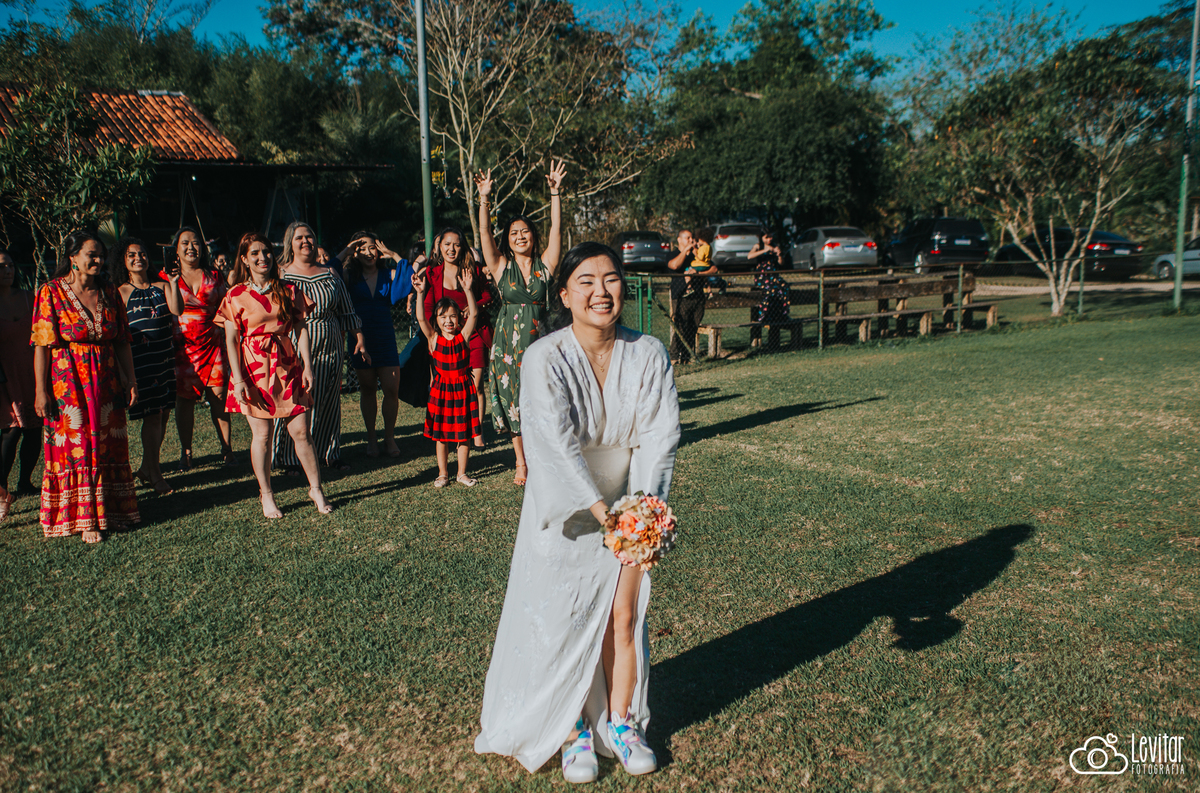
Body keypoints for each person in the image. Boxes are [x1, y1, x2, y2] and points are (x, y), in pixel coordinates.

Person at [474, 241, 681, 782]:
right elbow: (553, 443)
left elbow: (660, 436)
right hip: (563, 508)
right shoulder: (544, 356)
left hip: (632, 503)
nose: (600, 291)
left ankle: (621, 720)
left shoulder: (650, 354)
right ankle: (569, 731)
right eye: (585, 281)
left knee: (623, 615)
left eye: (610, 279)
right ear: (564, 294)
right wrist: (598, 511)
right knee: (561, 619)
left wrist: (640, 511)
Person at [31, 230, 140, 542]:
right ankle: (84, 519)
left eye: (100, 254)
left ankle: (112, 511)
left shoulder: (109, 291)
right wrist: (41, 390)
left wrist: (130, 379)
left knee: (108, 445)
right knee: (77, 450)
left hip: (105, 383)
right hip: (68, 385)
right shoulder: (50, 292)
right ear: (73, 258)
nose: (98, 259)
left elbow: (122, 341)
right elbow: (41, 345)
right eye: (91, 254)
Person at [218, 232, 333, 518]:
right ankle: (266, 494)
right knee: (263, 435)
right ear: (244, 259)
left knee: (301, 432)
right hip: (254, 370)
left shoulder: (289, 290)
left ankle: (316, 489)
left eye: (267, 252)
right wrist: (238, 379)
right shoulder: (234, 295)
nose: (262, 258)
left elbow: (301, 328)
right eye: (255, 253)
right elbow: (231, 341)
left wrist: (307, 364)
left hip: (287, 366)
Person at [474, 161, 566, 485]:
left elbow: (556, 230)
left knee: (545, 398)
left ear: (532, 236)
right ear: (508, 241)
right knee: (514, 400)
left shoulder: (546, 265)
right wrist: (484, 198)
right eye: (514, 233)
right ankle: (521, 462)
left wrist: (554, 192)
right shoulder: (499, 266)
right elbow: (485, 232)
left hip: (541, 340)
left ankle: (546, 456)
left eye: (525, 231)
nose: (520, 236)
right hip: (508, 345)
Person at [273, 221, 368, 472]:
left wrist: (359, 337)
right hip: (294, 346)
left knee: (328, 400)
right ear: (290, 244)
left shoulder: (330, 273)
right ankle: (290, 458)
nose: (306, 241)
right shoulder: (281, 274)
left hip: (331, 344)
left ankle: (329, 453)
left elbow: (346, 308)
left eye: (310, 237)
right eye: (299, 238)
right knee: (297, 401)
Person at [111, 237, 183, 494]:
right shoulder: (119, 292)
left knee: (162, 416)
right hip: (140, 362)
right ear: (124, 261)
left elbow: (177, 311)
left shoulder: (162, 285)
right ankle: (155, 475)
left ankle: (146, 467)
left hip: (164, 359)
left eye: (141, 253)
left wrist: (174, 282)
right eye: (131, 255)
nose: (138, 258)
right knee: (153, 417)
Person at [338, 232, 415, 458]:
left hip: (385, 337)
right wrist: (346, 253)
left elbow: (409, 277)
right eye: (361, 248)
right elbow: (330, 274)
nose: (368, 253)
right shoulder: (348, 275)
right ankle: (371, 437)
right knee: (368, 388)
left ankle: (389, 437)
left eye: (372, 247)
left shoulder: (388, 274)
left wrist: (392, 254)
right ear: (355, 252)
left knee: (391, 389)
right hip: (360, 337)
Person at [165, 226, 234, 470]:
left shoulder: (215, 276)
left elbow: (227, 306)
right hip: (183, 349)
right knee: (184, 402)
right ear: (176, 249)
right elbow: (173, 310)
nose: (191, 247)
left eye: (196, 243)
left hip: (213, 345)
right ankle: (186, 452)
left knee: (219, 399)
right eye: (185, 243)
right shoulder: (167, 278)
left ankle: (227, 449)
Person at [422, 227, 493, 448]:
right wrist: (431, 336)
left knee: (476, 383)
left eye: (456, 244)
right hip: (446, 338)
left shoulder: (474, 269)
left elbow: (487, 295)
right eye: (447, 244)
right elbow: (427, 306)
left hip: (474, 332)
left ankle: (477, 431)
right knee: (446, 386)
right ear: (439, 247)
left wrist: (472, 308)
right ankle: (450, 430)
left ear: (462, 247)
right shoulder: (432, 273)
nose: (451, 249)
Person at [412, 267, 480, 487]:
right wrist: (421, 294)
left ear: (460, 318)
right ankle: (443, 473)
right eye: (443, 317)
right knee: (441, 435)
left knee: (464, 435)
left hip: (462, 390)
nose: (448, 320)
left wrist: (468, 290)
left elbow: (476, 314)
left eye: (453, 316)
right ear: (437, 320)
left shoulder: (464, 336)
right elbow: (421, 318)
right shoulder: (433, 339)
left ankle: (462, 473)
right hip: (441, 392)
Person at [0, 248, 41, 500]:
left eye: (11, 266)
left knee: (34, 429)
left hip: (32, 372)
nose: (7, 271)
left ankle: (25, 481)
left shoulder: (30, 298)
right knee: (11, 430)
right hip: (4, 376)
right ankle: (2, 487)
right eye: (1, 267)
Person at [666, 229, 715, 364]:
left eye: (692, 238)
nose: (691, 240)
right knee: (680, 327)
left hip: (698, 296)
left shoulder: (697, 255)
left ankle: (686, 357)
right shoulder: (673, 254)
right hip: (681, 296)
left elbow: (713, 269)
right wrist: (685, 251)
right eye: (687, 238)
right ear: (679, 240)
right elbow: (674, 266)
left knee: (693, 327)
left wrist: (698, 274)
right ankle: (674, 356)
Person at [747, 229, 791, 350]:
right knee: (769, 290)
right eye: (766, 237)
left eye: (771, 237)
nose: (769, 240)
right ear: (761, 238)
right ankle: (764, 315)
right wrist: (763, 251)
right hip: (762, 276)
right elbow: (749, 256)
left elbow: (781, 264)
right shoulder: (758, 246)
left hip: (773, 275)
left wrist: (779, 254)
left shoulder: (775, 246)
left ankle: (783, 313)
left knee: (784, 286)